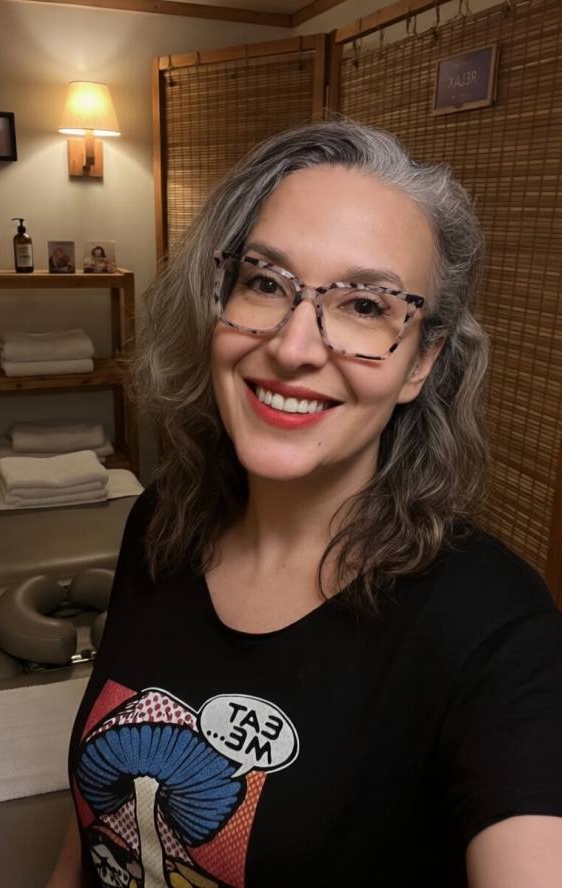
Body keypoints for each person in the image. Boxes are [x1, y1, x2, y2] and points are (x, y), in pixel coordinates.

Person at [48, 119, 562, 887]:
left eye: (366, 306)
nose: (293, 348)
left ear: (421, 361)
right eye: (265, 283)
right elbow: (93, 821)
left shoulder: (495, 630)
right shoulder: (161, 522)